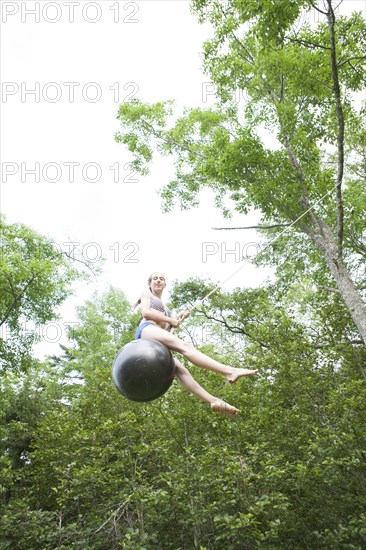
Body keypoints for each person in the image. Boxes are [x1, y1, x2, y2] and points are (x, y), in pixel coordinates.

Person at [135, 272, 258, 416]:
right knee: (185, 347)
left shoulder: (166, 309)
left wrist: (177, 319)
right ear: (149, 283)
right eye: (155, 278)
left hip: (157, 342)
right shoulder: (147, 294)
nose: (158, 281)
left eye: (161, 279)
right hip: (147, 331)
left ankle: (214, 401)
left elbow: (167, 332)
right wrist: (171, 320)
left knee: (179, 369)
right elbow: (146, 313)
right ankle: (229, 371)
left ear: (165, 284)